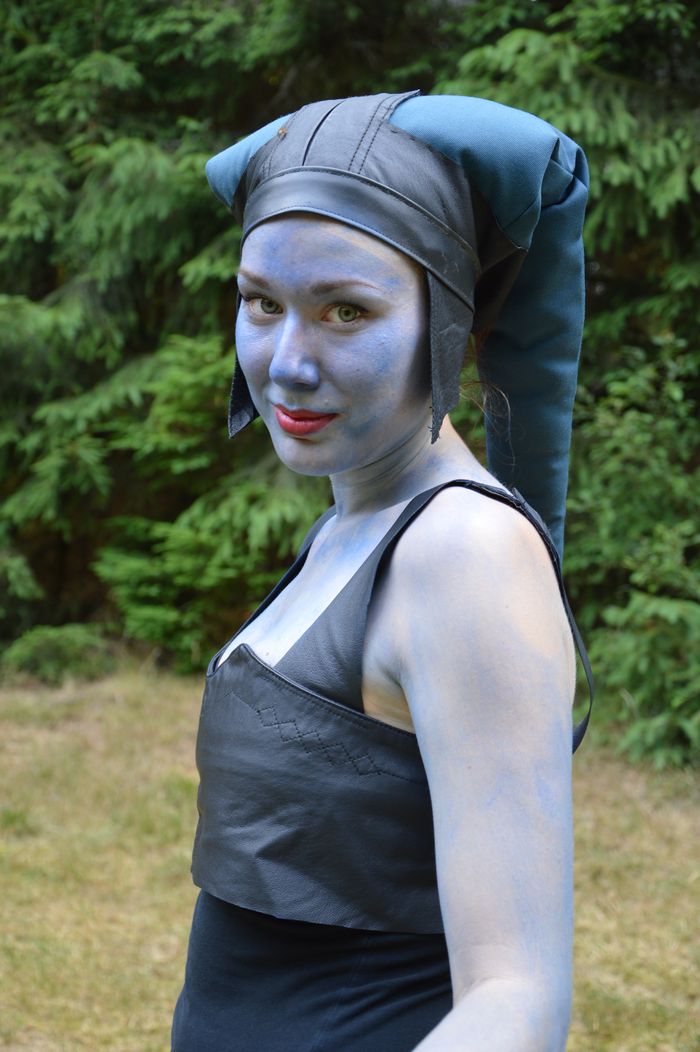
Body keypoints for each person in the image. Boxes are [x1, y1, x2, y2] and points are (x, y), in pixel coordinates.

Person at [171, 91, 593, 1052]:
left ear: (447, 317)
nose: (287, 363)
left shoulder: (465, 554)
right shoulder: (353, 522)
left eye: (346, 311)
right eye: (261, 302)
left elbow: (517, 1001)